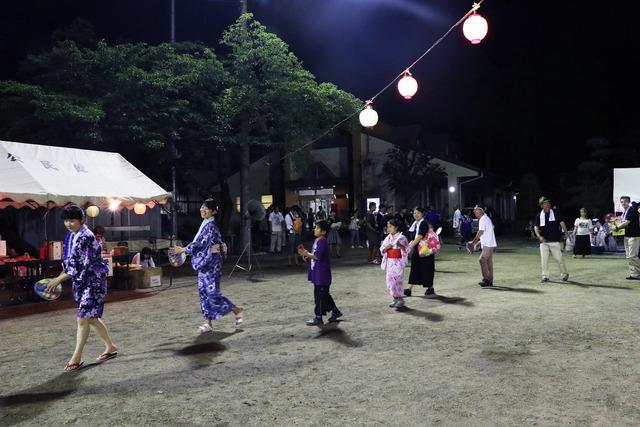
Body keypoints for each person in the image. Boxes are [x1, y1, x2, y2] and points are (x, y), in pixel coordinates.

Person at [45, 205, 118, 372]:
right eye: (66, 220)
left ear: (82, 220)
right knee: (90, 318)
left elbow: (77, 266)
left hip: (93, 282)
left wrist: (57, 279)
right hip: (84, 282)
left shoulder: (85, 236)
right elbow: (72, 263)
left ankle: (76, 358)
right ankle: (111, 347)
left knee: (83, 318)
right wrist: (60, 278)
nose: (68, 224)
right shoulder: (73, 235)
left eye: (72, 220)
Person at [171, 199, 244, 333]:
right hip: (206, 262)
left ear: (213, 211)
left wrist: (184, 250)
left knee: (212, 293)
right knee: (203, 292)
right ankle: (208, 323)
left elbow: (202, 243)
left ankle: (236, 309)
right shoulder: (205, 223)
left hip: (212, 263)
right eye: (202, 207)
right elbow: (200, 243)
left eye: (206, 208)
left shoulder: (211, 226)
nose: (202, 209)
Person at [298, 220, 342, 326]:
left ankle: (318, 317)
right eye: (315, 227)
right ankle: (335, 311)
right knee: (324, 294)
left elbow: (317, 256)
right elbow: (314, 256)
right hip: (319, 273)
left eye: (317, 228)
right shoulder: (318, 240)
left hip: (322, 274)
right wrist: (307, 256)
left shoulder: (322, 241)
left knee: (320, 296)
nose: (315, 229)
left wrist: (306, 253)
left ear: (323, 232)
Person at [534, 197, 569, 283]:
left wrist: (566, 233)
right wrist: (539, 236)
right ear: (542, 205)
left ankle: (564, 274)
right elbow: (536, 226)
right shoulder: (539, 215)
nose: (548, 204)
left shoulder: (555, 212)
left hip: (554, 240)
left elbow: (562, 223)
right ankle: (545, 276)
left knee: (559, 259)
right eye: (545, 203)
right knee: (544, 260)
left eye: (548, 203)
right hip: (544, 242)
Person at [404, 207, 436, 297]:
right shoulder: (415, 224)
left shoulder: (424, 223)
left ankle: (430, 288)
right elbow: (414, 236)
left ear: (422, 214)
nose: (416, 215)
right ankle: (409, 289)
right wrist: (411, 243)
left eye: (418, 213)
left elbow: (419, 236)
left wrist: (411, 245)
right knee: (415, 268)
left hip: (425, 250)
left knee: (427, 269)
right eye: (414, 213)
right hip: (418, 250)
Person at [380, 218, 409, 308]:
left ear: (396, 227)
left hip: (398, 262)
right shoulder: (387, 238)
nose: (389, 229)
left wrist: (400, 245)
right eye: (388, 227)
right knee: (390, 281)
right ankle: (395, 298)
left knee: (397, 281)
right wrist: (386, 248)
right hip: (390, 262)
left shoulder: (402, 237)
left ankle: (400, 299)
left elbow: (407, 249)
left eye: (391, 227)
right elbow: (382, 250)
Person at [611, 196, 640, 279]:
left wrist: (616, 228)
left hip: (634, 235)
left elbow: (626, 223)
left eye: (625, 201)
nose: (623, 203)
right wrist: (615, 225)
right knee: (628, 256)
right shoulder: (625, 212)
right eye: (622, 202)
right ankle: (634, 274)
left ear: (629, 202)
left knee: (632, 256)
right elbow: (623, 223)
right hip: (627, 235)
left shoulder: (632, 211)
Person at [468, 205, 497, 287]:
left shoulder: (483, 219)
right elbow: (486, 234)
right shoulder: (486, 218)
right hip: (489, 244)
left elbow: (480, 232)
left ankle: (487, 279)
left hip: (488, 245)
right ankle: (489, 280)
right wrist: (477, 243)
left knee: (482, 259)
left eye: (476, 210)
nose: (474, 211)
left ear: (481, 210)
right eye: (474, 210)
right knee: (488, 263)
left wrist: (473, 242)